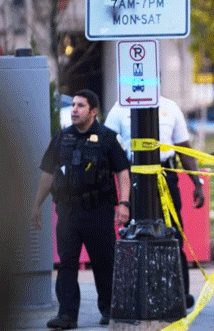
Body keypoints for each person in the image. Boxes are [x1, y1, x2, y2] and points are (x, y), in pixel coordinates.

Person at [30, 89, 131, 329]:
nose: (74, 109)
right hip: (68, 210)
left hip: (99, 209)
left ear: (93, 111)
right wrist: (36, 205)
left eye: (81, 106)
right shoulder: (61, 138)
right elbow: (47, 173)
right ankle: (67, 314)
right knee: (67, 263)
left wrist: (124, 203)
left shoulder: (108, 138)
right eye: (73, 105)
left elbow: (122, 172)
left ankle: (108, 309)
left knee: (104, 261)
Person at [104, 95, 205, 309]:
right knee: (135, 235)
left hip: (165, 175)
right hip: (136, 176)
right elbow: (107, 145)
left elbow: (183, 148)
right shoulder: (120, 107)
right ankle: (139, 293)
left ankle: (180, 294)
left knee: (173, 232)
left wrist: (197, 182)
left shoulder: (170, 106)